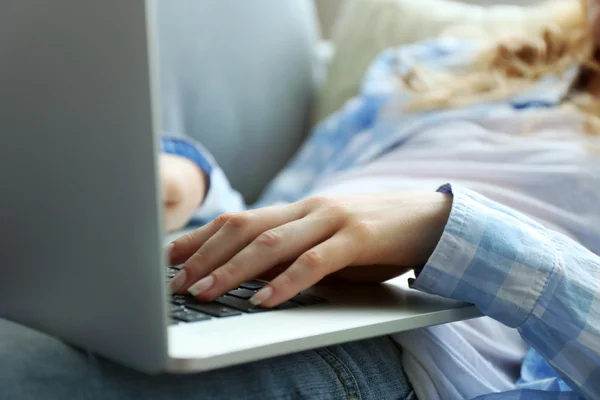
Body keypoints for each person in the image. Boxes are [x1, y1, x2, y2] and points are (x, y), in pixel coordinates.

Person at [2, 0, 600, 399]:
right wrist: (195, 187)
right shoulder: (453, 68)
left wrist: (448, 230)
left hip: (407, 353)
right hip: (261, 295)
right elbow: (291, 208)